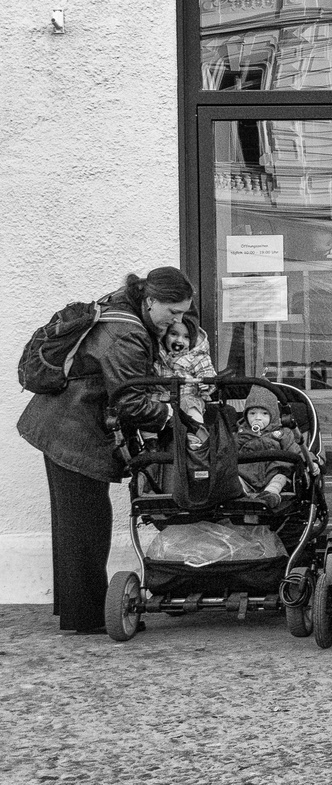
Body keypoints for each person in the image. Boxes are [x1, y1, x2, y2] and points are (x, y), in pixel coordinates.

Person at [16, 267, 194, 633]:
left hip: (61, 423)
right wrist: (172, 417)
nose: (178, 320)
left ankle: (77, 611)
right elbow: (130, 401)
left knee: (73, 523)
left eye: (182, 313)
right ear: (150, 300)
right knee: (87, 525)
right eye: (172, 312)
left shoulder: (121, 307)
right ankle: (89, 618)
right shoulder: (127, 333)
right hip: (73, 430)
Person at [236, 385, 300, 506]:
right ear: (246, 416)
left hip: (273, 473)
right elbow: (228, 452)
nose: (258, 418)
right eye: (252, 413)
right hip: (247, 475)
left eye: (264, 414)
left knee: (280, 477)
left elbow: (297, 450)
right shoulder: (242, 434)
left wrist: (312, 461)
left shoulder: (282, 434)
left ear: (274, 415)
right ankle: (240, 494)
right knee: (234, 478)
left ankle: (270, 494)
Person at [154, 316, 215, 429]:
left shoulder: (196, 355)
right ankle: (149, 441)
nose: (179, 340)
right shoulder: (158, 354)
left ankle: (198, 434)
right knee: (148, 407)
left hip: (188, 395)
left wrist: (205, 385)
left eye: (186, 337)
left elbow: (206, 371)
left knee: (189, 405)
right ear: (165, 335)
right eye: (174, 334)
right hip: (161, 397)